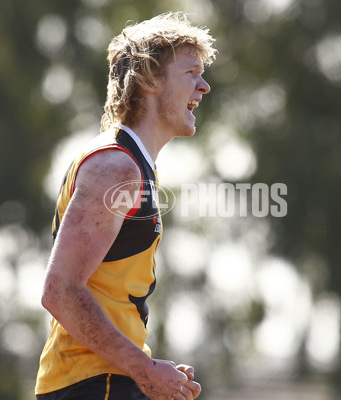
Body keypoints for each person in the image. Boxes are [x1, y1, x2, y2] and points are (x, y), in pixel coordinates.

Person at [35, 12, 217, 400]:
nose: (204, 86)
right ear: (150, 79)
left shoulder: (129, 163)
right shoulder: (116, 166)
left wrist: (147, 370)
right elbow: (61, 290)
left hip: (104, 382)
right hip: (92, 385)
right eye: (190, 72)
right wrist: (145, 369)